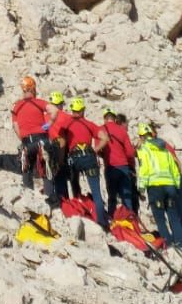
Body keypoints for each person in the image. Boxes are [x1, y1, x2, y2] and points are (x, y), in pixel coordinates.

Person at [136, 121, 182, 251]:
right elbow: (174, 168)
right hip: (170, 187)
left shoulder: (144, 149)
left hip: (155, 187)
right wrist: (176, 185)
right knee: (174, 218)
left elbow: (144, 169)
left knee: (160, 219)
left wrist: (141, 188)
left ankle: (169, 247)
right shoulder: (164, 148)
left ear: (142, 136)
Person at [63, 98, 110, 228]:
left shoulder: (67, 123)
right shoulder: (90, 124)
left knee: (74, 185)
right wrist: (94, 150)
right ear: (83, 110)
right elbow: (105, 138)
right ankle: (102, 222)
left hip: (74, 158)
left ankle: (79, 212)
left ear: (73, 110)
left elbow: (60, 138)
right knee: (96, 191)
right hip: (89, 157)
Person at [10, 76, 49, 190]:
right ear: (33, 89)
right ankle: (49, 192)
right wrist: (46, 127)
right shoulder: (40, 103)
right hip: (42, 138)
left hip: (27, 140)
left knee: (26, 167)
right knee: (46, 166)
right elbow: (53, 112)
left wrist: (22, 138)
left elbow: (15, 125)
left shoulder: (17, 106)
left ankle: (28, 191)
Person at [101, 107, 139, 216]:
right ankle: (130, 220)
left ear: (105, 118)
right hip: (123, 167)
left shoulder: (101, 130)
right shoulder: (122, 131)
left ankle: (111, 219)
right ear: (114, 118)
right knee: (126, 196)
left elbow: (98, 149)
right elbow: (130, 153)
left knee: (112, 196)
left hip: (110, 167)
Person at [42, 91, 72, 207]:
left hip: (48, 150)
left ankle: (49, 201)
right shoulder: (67, 117)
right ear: (59, 104)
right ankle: (64, 203)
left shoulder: (44, 117)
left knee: (48, 175)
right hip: (62, 151)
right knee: (61, 176)